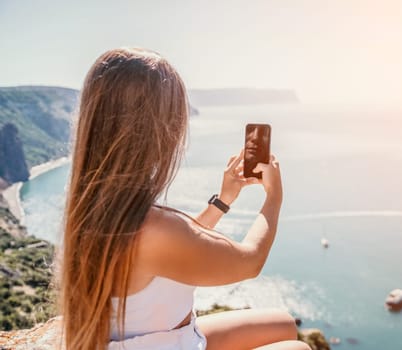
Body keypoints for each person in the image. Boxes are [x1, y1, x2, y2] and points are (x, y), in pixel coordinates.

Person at [58, 47, 310, 350]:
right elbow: (250, 261)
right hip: (166, 344)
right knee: (298, 348)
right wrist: (274, 197)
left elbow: (178, 245)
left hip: (154, 339)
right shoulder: (153, 230)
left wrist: (223, 200)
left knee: (282, 323)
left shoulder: (100, 207)